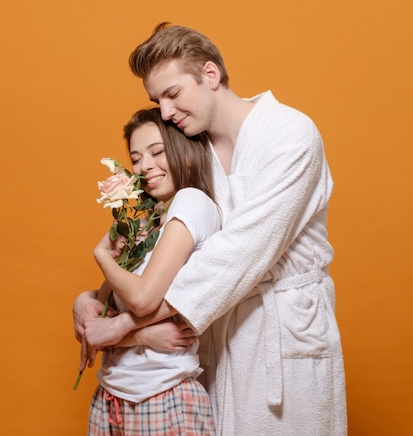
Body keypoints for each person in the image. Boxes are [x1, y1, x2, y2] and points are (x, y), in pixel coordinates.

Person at [75, 22, 347, 435]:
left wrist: (124, 327)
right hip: (211, 329)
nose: (165, 112)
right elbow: (157, 256)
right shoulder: (191, 153)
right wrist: (88, 300)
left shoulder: (291, 136)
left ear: (210, 75)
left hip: (284, 333)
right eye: (156, 100)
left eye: (172, 94)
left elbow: (238, 255)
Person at [83, 107, 221, 435]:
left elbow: (143, 300)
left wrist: (101, 254)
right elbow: (104, 317)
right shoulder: (149, 220)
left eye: (157, 152)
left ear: (184, 150)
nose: (144, 166)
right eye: (135, 157)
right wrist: (85, 300)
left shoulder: (192, 201)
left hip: (162, 397)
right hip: (112, 395)